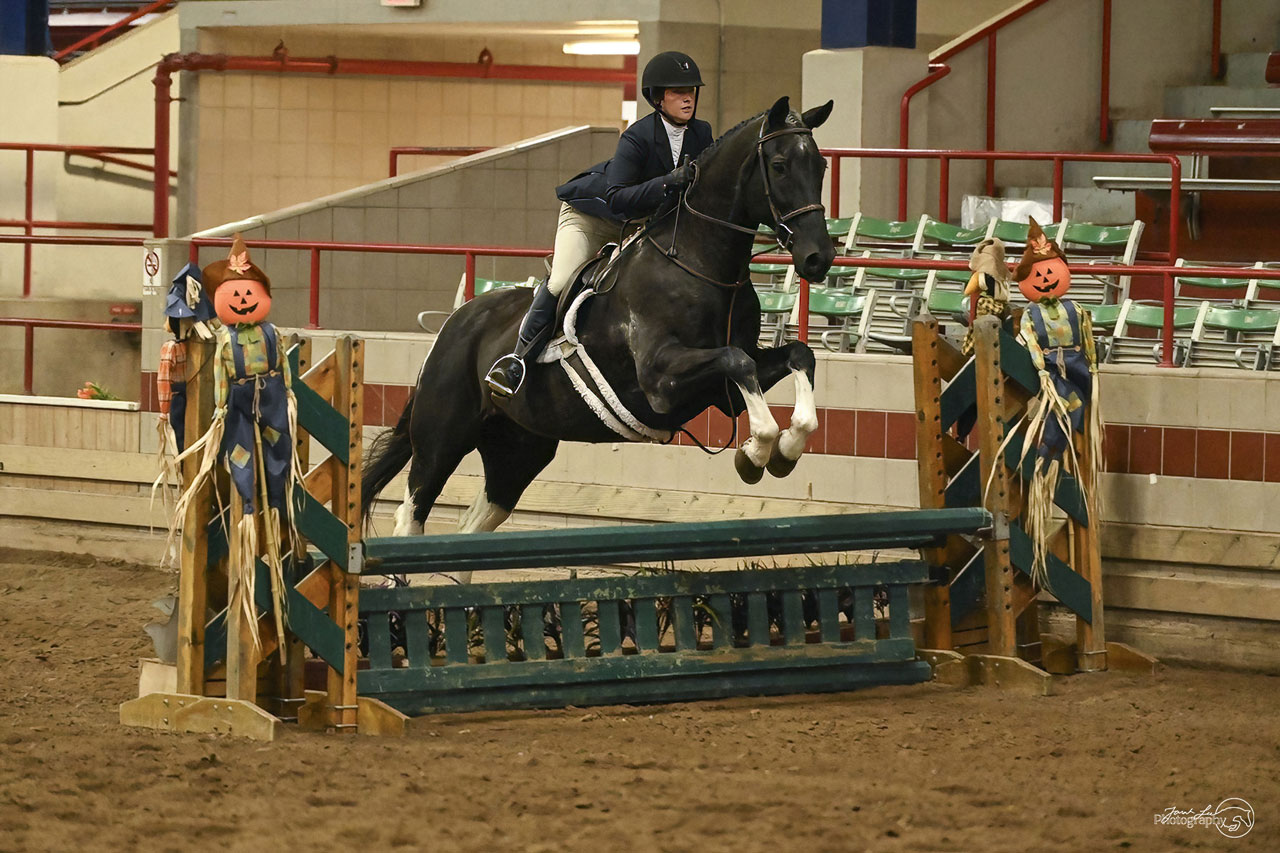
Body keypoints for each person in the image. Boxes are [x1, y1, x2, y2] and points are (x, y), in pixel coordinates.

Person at [485, 50, 716, 397]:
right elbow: (618, 197)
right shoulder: (637, 137)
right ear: (657, 98)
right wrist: (668, 181)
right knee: (562, 279)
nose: (688, 98)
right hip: (592, 218)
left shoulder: (702, 133)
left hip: (640, 224)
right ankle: (517, 360)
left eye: (692, 92)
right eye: (677, 92)